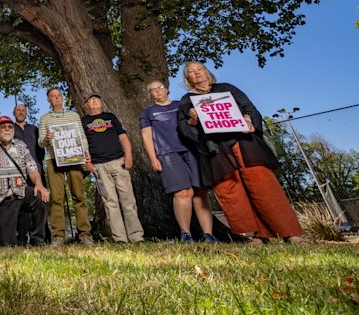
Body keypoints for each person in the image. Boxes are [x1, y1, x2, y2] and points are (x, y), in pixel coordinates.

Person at [177, 62, 307, 244]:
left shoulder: (227, 89)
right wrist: (192, 120)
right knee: (230, 191)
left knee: (263, 184)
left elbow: (250, 108)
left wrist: (249, 120)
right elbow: (183, 128)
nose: (196, 73)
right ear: (188, 79)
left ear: (206, 72)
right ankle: (254, 235)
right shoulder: (186, 100)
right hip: (215, 149)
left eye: (199, 69)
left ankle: (290, 233)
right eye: (191, 72)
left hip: (243, 142)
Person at [140, 80, 218, 243]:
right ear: (150, 94)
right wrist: (153, 158)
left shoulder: (180, 104)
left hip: (192, 149)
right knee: (183, 192)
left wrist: (195, 118)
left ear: (166, 89)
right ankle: (185, 234)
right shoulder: (148, 112)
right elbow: (146, 136)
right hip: (168, 154)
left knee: (200, 191)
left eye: (160, 88)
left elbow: (193, 125)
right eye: (153, 90)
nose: (157, 91)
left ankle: (209, 235)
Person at [0, 116, 50, 246]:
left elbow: (33, 169)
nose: (7, 129)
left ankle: (37, 240)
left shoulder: (21, 146)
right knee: (7, 244)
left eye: (10, 127)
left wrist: (39, 184)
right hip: (3, 199)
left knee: (41, 196)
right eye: (3, 127)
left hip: (21, 192)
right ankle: (8, 237)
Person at [82, 94, 144, 243]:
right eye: (91, 100)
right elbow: (82, 144)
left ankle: (136, 236)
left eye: (97, 99)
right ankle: (120, 238)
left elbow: (123, 137)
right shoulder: (83, 122)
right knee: (110, 202)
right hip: (99, 166)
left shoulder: (110, 117)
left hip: (118, 161)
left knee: (128, 200)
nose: (94, 101)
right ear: (86, 105)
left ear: (102, 102)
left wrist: (128, 155)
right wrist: (87, 163)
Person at [38, 87, 94, 246]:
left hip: (74, 158)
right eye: (52, 96)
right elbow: (40, 142)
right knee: (56, 198)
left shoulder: (73, 115)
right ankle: (58, 236)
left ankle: (85, 234)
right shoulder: (44, 119)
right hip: (52, 159)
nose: (56, 98)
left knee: (79, 195)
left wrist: (86, 155)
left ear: (62, 97)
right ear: (48, 100)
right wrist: (47, 138)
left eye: (58, 95)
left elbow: (81, 137)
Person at [12, 104, 49, 246]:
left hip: (36, 170)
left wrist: (36, 163)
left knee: (41, 200)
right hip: (18, 172)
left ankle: (41, 237)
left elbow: (41, 149)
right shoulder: (11, 129)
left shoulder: (34, 129)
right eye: (18, 110)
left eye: (23, 110)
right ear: (14, 113)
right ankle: (21, 237)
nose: (21, 112)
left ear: (26, 113)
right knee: (22, 203)